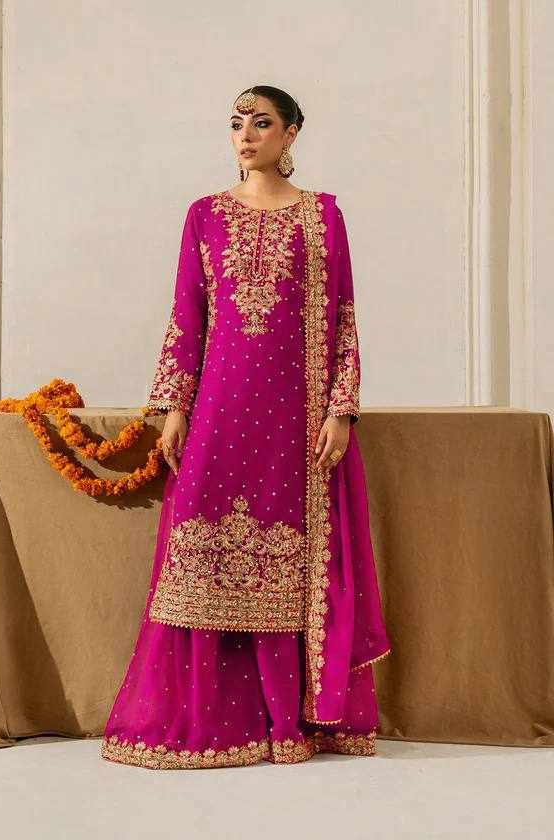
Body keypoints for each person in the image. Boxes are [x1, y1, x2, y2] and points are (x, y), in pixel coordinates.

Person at [100, 85, 391, 770]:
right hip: (220, 409)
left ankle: (287, 719)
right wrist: (175, 409)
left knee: (290, 555)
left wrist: (341, 408)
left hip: (295, 417)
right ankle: (208, 713)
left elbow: (344, 316)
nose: (245, 134)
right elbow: (187, 315)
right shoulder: (204, 215)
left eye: (261, 123)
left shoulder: (323, 216)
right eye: (237, 123)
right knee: (200, 544)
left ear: (291, 134)